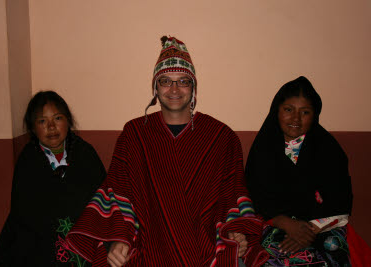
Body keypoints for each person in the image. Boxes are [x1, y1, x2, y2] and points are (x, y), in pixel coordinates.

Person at [66, 36, 269, 266]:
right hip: (147, 247)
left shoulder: (221, 137)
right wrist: (117, 240)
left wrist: (236, 232)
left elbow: (232, 195)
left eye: (183, 81)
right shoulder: (134, 134)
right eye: (165, 80)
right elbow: (117, 191)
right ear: (155, 87)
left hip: (206, 248)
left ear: (193, 87)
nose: (174, 89)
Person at [245, 76, 353, 266]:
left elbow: (340, 201)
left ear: (315, 115)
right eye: (288, 110)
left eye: (305, 112)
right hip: (276, 225)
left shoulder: (328, 150)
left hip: (322, 228)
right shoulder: (263, 149)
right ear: (276, 111)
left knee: (333, 246)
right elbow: (256, 198)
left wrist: (308, 231)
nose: (295, 118)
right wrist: (286, 224)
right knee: (272, 253)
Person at [0, 91, 106, 266]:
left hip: (85, 247)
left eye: (58, 118)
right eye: (42, 121)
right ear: (32, 127)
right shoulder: (28, 161)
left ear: (68, 120)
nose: (51, 127)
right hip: (40, 251)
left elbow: (103, 201)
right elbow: (23, 215)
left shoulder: (85, 154)